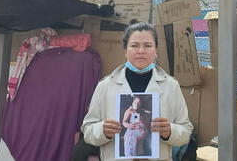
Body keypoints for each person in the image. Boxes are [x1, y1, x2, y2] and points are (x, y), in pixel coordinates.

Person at [81, 22, 193, 161]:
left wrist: (170, 131)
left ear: (156, 51)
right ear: (125, 50)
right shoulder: (106, 86)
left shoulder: (171, 86)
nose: (141, 51)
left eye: (147, 45)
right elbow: (87, 130)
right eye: (134, 45)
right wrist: (102, 130)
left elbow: (186, 130)